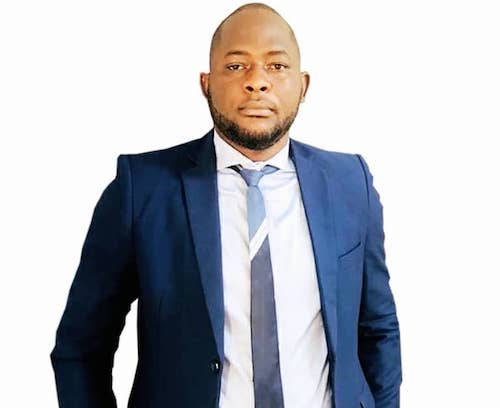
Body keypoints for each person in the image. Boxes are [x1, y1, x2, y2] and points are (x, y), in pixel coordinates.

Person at [50, 3, 402, 408]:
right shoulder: (143, 190)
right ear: (206, 84)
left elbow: (378, 329)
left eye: (276, 66)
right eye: (236, 66)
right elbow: (81, 346)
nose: (257, 82)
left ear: (304, 86)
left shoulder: (350, 183)